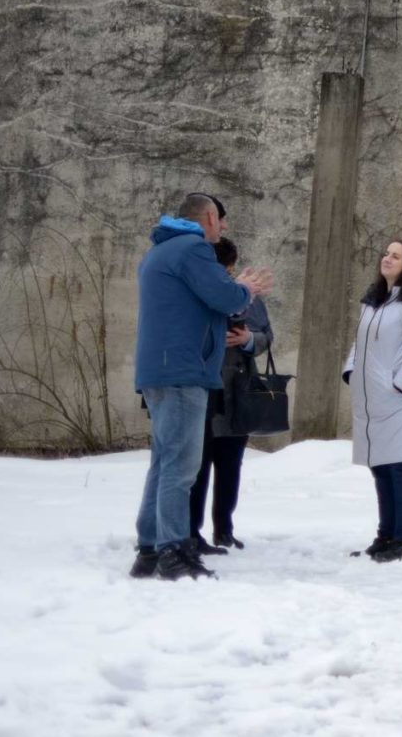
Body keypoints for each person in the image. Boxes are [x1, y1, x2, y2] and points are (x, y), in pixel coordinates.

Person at [133, 193, 271, 581]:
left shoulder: (159, 251)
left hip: (160, 371)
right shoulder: (194, 249)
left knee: (163, 462)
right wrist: (244, 287)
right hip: (183, 371)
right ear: (209, 218)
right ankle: (174, 550)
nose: (224, 228)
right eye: (222, 220)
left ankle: (149, 548)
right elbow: (224, 297)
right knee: (181, 466)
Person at [345, 237, 402, 562]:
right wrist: (350, 370)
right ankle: (386, 535)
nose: (387, 259)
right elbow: (361, 343)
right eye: (385, 253)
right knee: (381, 468)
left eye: (395, 256)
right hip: (373, 402)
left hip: (401, 401)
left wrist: (399, 383)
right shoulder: (374, 300)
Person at [185, 235, 275, 556]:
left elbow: (267, 336)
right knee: (197, 467)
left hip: (238, 391)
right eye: (223, 269)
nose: (227, 274)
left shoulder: (250, 297)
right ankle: (191, 532)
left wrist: (249, 338)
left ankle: (224, 528)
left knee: (231, 464)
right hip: (205, 390)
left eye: (230, 268)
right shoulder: (196, 292)